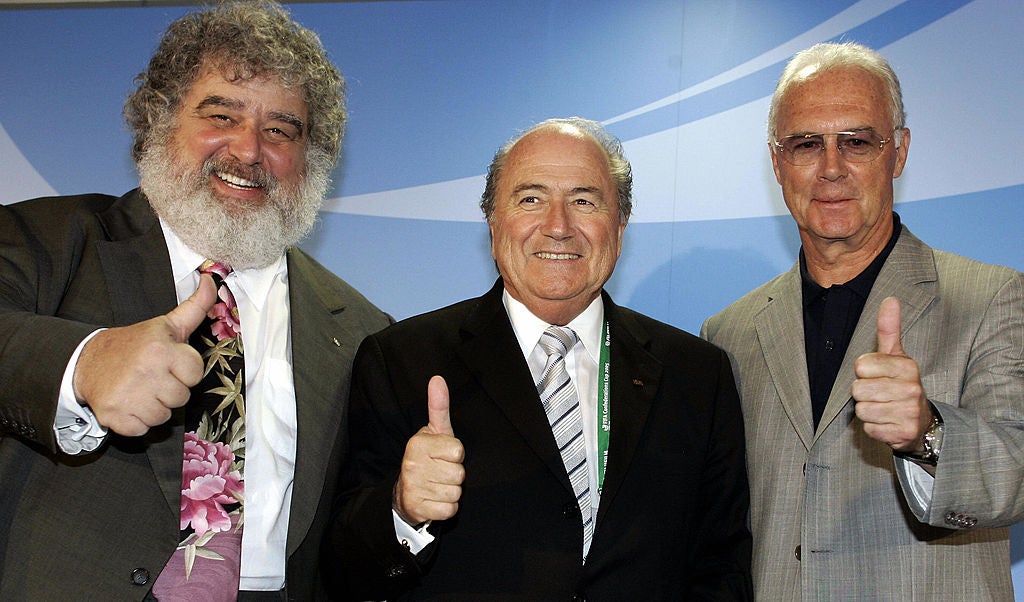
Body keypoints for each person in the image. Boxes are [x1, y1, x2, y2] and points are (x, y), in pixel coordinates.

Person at [0, 2, 390, 599]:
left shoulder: (364, 331)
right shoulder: (47, 239)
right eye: (221, 115)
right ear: (158, 121)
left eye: (281, 130)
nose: (248, 150)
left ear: (313, 159)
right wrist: (82, 363)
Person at [321, 117, 752, 600]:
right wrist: (401, 510)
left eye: (584, 201)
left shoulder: (696, 373)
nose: (558, 226)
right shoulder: (402, 359)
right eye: (531, 199)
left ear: (621, 223)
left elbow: (722, 563)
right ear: (492, 220)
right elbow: (340, 567)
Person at [701, 41, 1024, 599]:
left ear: (898, 153)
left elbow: (1017, 474)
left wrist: (927, 430)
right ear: (777, 163)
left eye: (856, 142)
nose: (831, 168)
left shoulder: (992, 297)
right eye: (806, 144)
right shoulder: (727, 333)